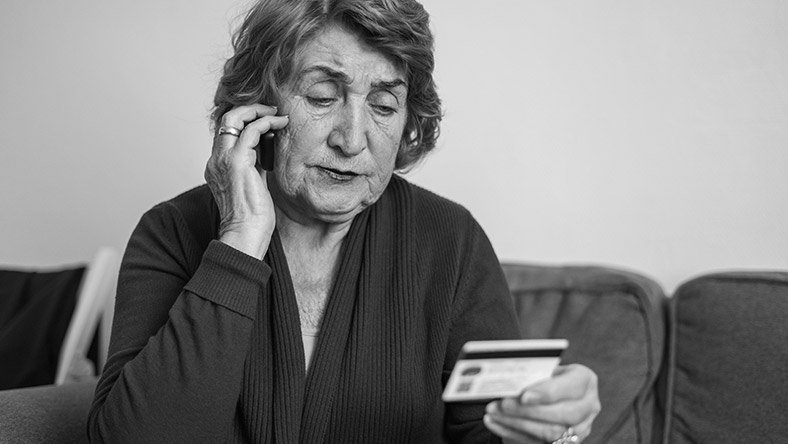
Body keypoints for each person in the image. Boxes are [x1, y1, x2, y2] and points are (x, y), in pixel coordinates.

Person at [88, 0, 600, 442]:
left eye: (383, 105)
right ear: (258, 107)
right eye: (322, 96)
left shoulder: (450, 240)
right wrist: (238, 241)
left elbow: (492, 431)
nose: (352, 140)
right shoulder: (172, 232)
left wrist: (552, 427)